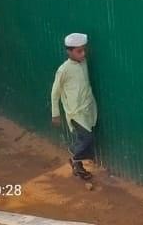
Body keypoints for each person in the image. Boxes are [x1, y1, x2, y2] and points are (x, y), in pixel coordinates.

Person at [51, 32, 97, 180]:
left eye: (84, 50)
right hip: (75, 112)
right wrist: (55, 113)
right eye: (79, 51)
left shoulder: (83, 63)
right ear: (69, 51)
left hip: (87, 108)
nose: (83, 54)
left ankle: (78, 167)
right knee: (87, 138)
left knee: (86, 138)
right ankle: (74, 155)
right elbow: (55, 93)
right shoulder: (64, 69)